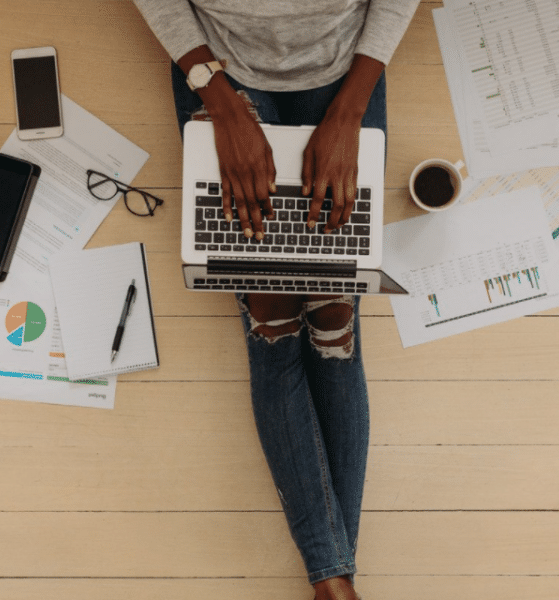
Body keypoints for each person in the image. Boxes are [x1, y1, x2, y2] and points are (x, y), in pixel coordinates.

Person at [132, 2, 419, 599]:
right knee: (272, 319)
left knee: (334, 317)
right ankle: (334, 582)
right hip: (218, 68)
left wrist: (352, 106)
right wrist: (214, 94)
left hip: (344, 68)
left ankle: (331, 579)